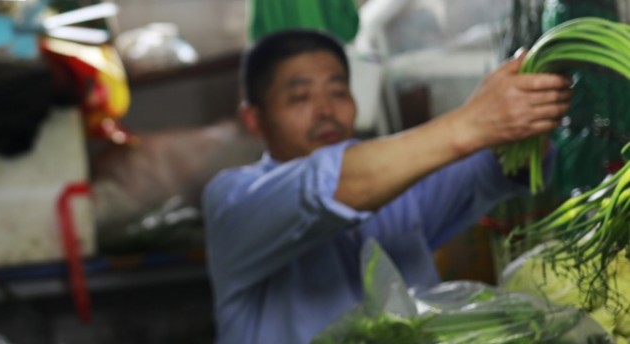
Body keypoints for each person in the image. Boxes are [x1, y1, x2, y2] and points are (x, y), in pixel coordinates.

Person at [202, 28, 572, 344]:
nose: (325, 110)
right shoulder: (233, 200)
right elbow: (325, 188)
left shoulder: (397, 189)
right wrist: (472, 123)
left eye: (338, 91)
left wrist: (532, 106)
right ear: (254, 119)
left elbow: (496, 167)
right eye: (299, 97)